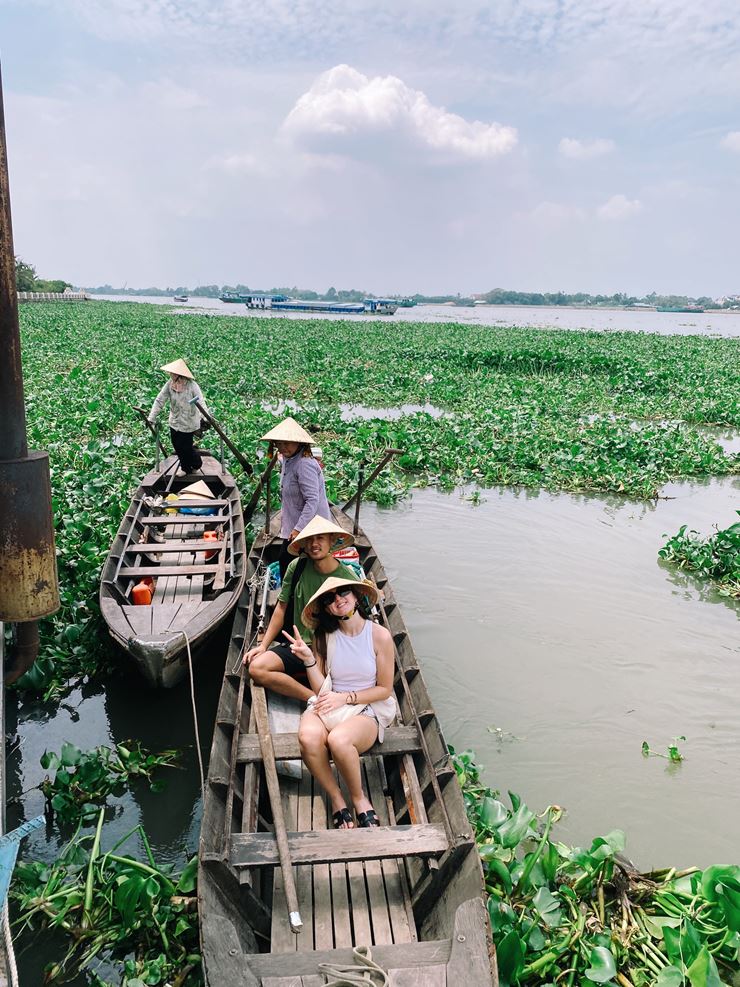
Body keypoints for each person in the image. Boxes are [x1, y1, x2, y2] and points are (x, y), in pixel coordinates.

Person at [283, 576, 396, 829]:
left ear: (356, 596)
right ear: (326, 608)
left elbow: (385, 689)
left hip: (366, 708)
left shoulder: (380, 636)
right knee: (308, 737)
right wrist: (309, 659)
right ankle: (336, 798)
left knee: (338, 740)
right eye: (329, 599)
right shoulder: (324, 636)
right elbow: (320, 687)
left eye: (343, 592)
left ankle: (359, 799)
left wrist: (344, 698)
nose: (338, 600)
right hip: (330, 701)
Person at [244, 516, 357, 702]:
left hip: (332, 648)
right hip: (299, 646)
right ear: (303, 544)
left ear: (331, 541)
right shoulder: (297, 567)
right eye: (310, 539)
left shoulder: (346, 578)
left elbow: (354, 624)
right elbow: (281, 608)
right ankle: (313, 699)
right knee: (257, 668)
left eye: (320, 538)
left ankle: (328, 692)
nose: (314, 544)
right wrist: (263, 646)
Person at [261, 417, 331, 578]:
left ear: (299, 443)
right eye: (279, 443)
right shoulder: (288, 459)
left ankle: (293, 597)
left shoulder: (304, 464)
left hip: (310, 524)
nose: (282, 447)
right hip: (294, 520)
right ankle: (294, 595)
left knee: (288, 561)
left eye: (287, 443)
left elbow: (312, 500)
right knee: (290, 563)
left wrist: (298, 528)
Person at [148, 359, 210, 477]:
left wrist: (205, 417)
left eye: (172, 373)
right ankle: (192, 463)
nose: (170, 374)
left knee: (184, 446)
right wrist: (152, 417)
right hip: (175, 421)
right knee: (176, 445)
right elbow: (160, 400)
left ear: (178, 374)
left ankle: (189, 467)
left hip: (189, 421)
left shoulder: (192, 386)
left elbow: (201, 402)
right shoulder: (170, 384)